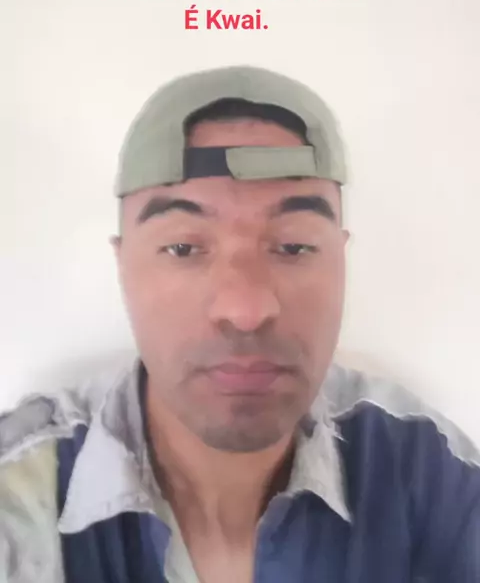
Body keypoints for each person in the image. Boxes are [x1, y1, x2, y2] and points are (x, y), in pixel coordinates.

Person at [0, 65, 478, 583]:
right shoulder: (23, 486)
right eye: (182, 248)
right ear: (123, 266)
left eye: (294, 246)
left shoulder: (421, 463)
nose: (245, 310)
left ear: (341, 260)